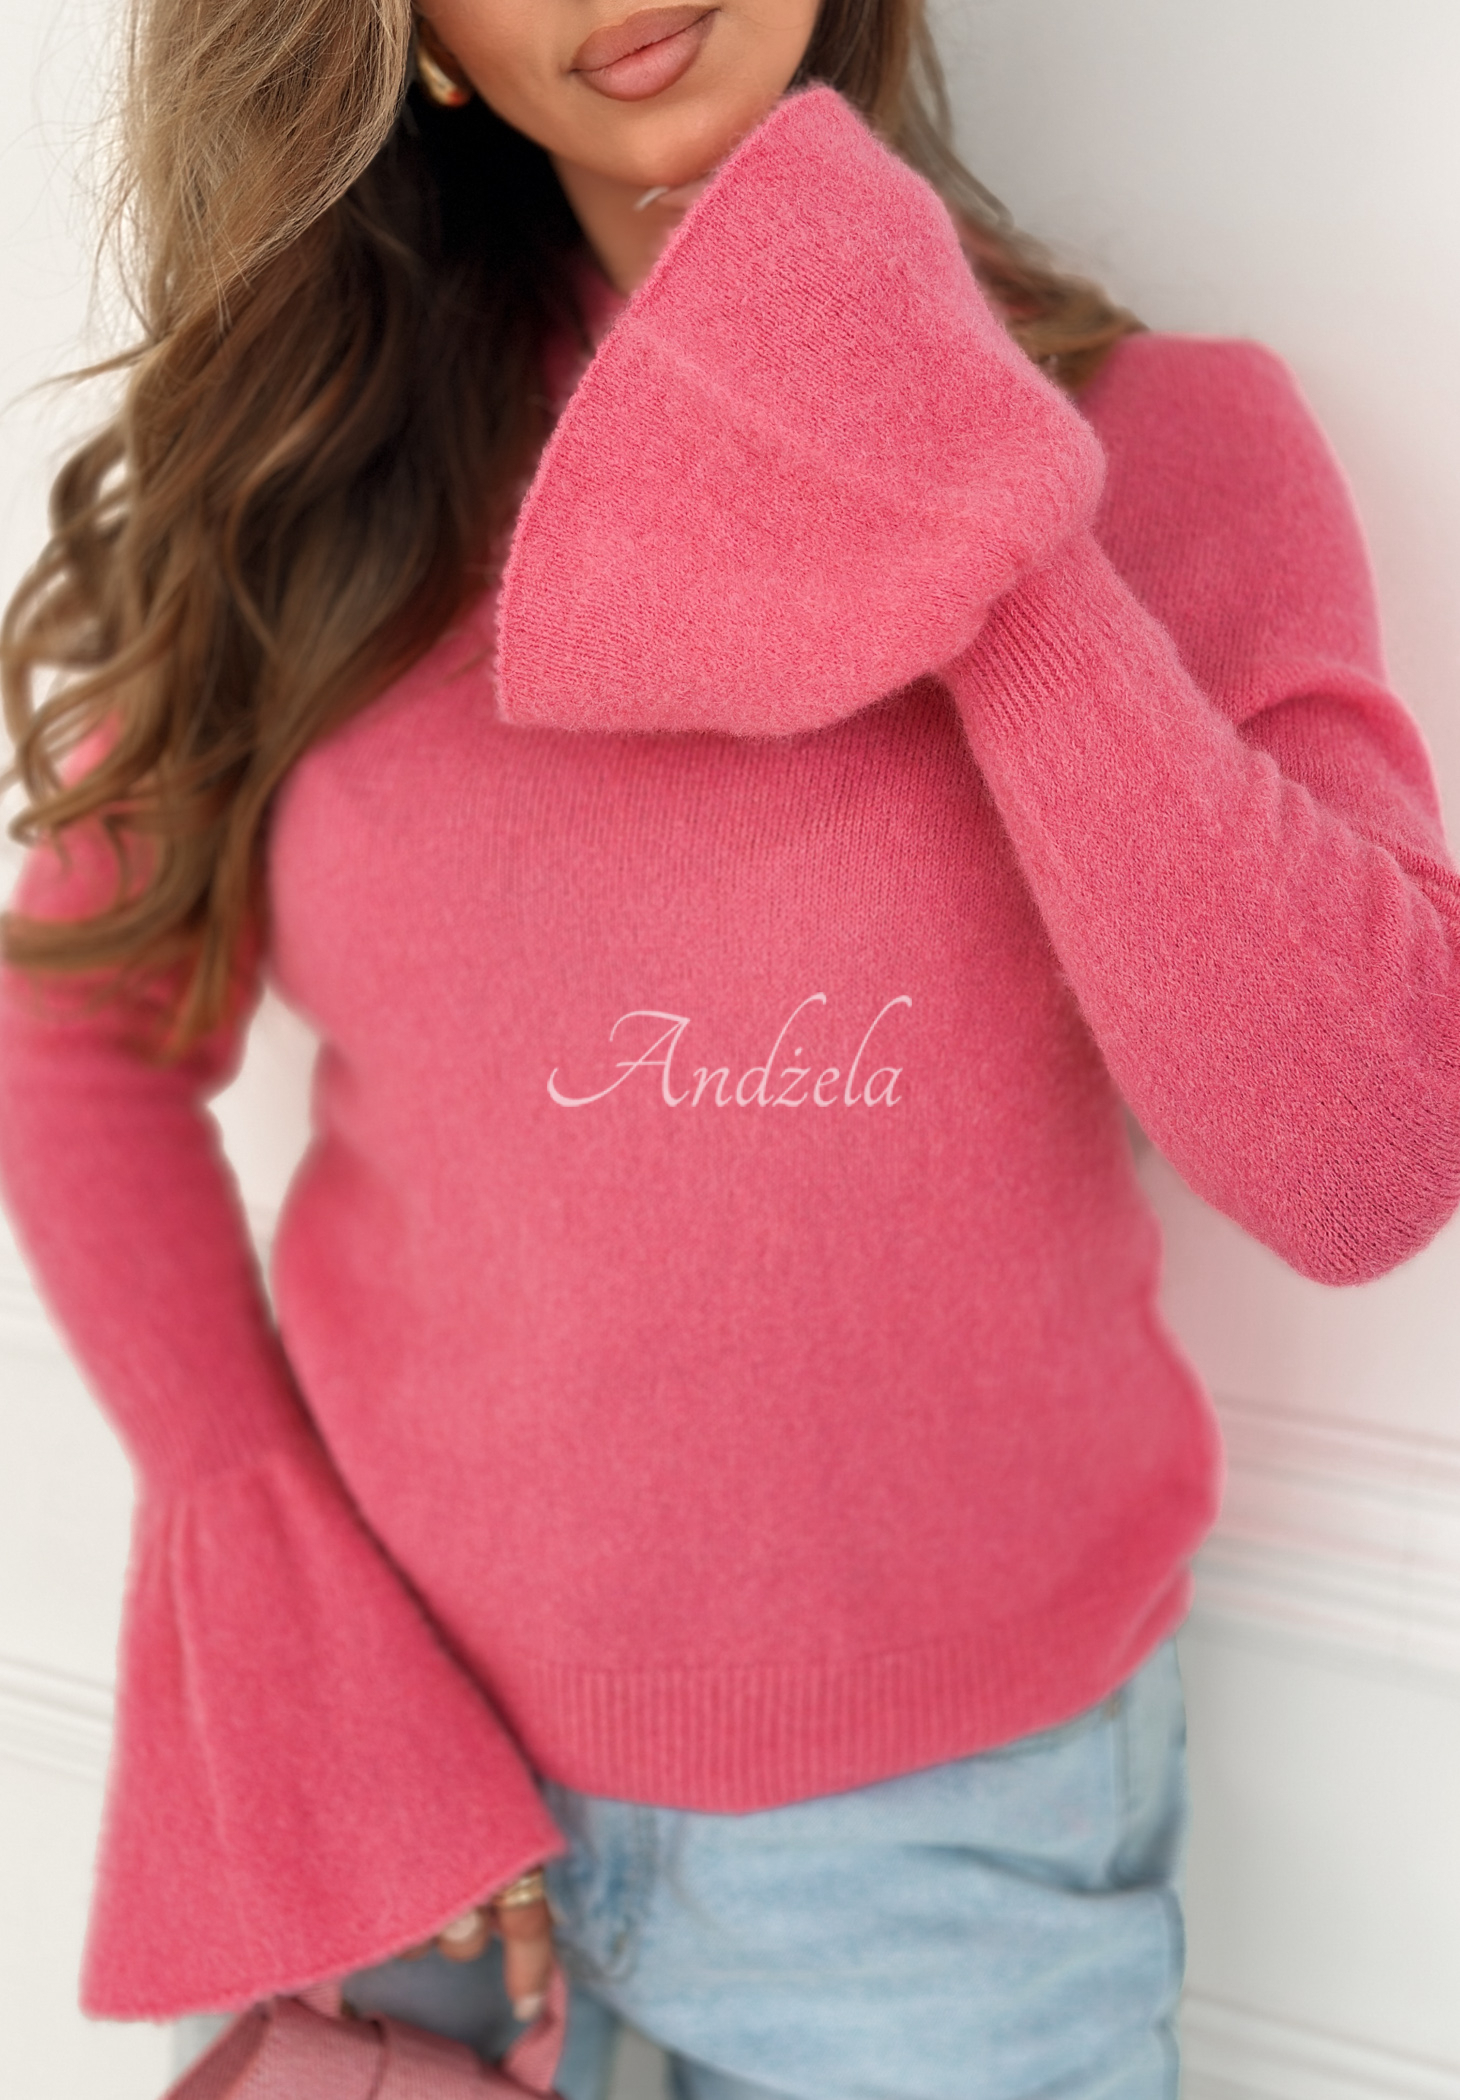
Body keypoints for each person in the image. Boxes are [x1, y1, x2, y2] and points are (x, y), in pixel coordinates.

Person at [2, 4, 1458, 2096]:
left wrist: (975, 503)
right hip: (397, 1812)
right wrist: (278, 1594)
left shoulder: (1165, 438)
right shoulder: (319, 493)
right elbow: (71, 1024)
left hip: (935, 1884)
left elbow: (1365, 1159)